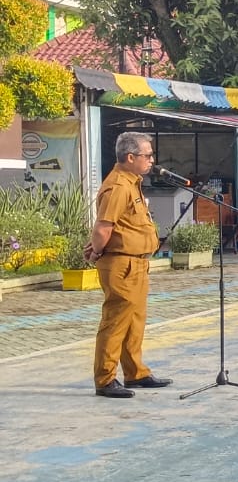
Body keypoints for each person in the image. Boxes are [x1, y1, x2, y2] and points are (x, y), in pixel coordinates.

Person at [89, 132, 170, 398]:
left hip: (137, 263)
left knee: (134, 321)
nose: (152, 160)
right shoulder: (118, 186)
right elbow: (103, 227)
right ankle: (105, 378)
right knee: (116, 321)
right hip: (121, 263)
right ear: (130, 157)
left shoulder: (132, 182)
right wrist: (97, 251)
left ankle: (135, 372)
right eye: (147, 155)